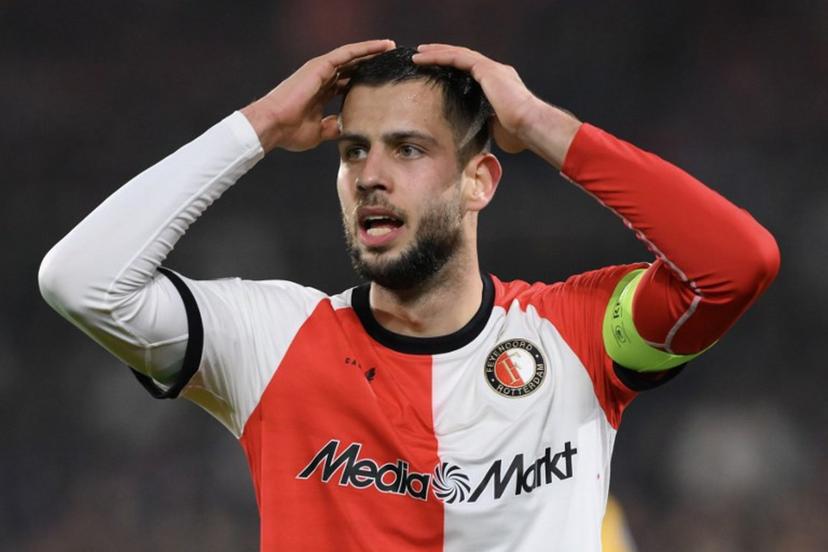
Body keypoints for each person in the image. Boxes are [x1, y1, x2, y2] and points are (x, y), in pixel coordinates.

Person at [38, 39, 779, 551]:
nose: (369, 174)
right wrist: (258, 126)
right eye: (353, 149)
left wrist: (539, 125)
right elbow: (80, 281)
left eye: (409, 148)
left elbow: (736, 264)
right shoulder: (268, 340)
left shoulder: (577, 336)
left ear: (479, 181)